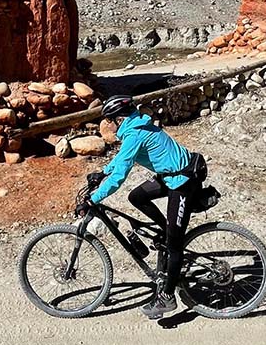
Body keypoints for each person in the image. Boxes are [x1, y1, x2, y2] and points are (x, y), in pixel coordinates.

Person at [83, 95, 205, 320]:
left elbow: (121, 174)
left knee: (175, 245)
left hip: (184, 180)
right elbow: (121, 160)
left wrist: (96, 198)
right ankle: (166, 229)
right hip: (170, 176)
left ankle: (167, 298)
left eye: (110, 120)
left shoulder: (135, 133)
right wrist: (102, 172)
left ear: (119, 118)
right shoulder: (135, 127)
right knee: (137, 197)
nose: (108, 124)